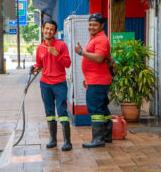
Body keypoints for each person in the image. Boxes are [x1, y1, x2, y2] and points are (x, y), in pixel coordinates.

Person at [32, 20, 72, 151]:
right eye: (46, 28)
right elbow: (39, 64)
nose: (48, 31)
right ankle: (53, 139)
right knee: (49, 112)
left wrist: (57, 54)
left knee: (62, 111)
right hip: (45, 84)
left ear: (55, 32)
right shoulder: (40, 48)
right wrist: (35, 68)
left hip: (59, 83)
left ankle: (67, 141)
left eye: (51, 29)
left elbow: (67, 63)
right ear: (43, 29)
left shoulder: (61, 45)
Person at [74, 13, 113, 148]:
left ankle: (98, 139)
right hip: (95, 80)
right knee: (102, 108)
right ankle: (107, 136)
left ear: (102, 26)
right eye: (90, 24)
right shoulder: (95, 38)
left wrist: (81, 52)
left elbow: (99, 58)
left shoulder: (101, 39)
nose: (91, 27)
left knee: (95, 109)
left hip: (98, 81)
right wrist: (87, 78)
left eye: (95, 24)